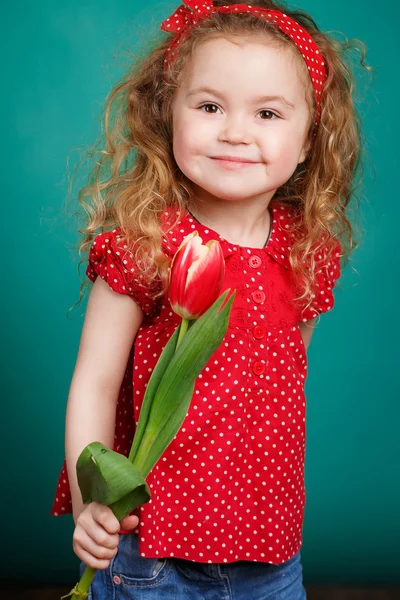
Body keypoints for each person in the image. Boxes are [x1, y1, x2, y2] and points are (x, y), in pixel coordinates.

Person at [51, 0, 369, 597]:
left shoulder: (306, 254)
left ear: (308, 142)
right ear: (166, 114)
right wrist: (92, 500)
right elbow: (94, 382)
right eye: (209, 105)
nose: (235, 132)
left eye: (269, 112)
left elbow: (283, 380)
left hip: (270, 553)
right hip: (151, 552)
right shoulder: (144, 242)